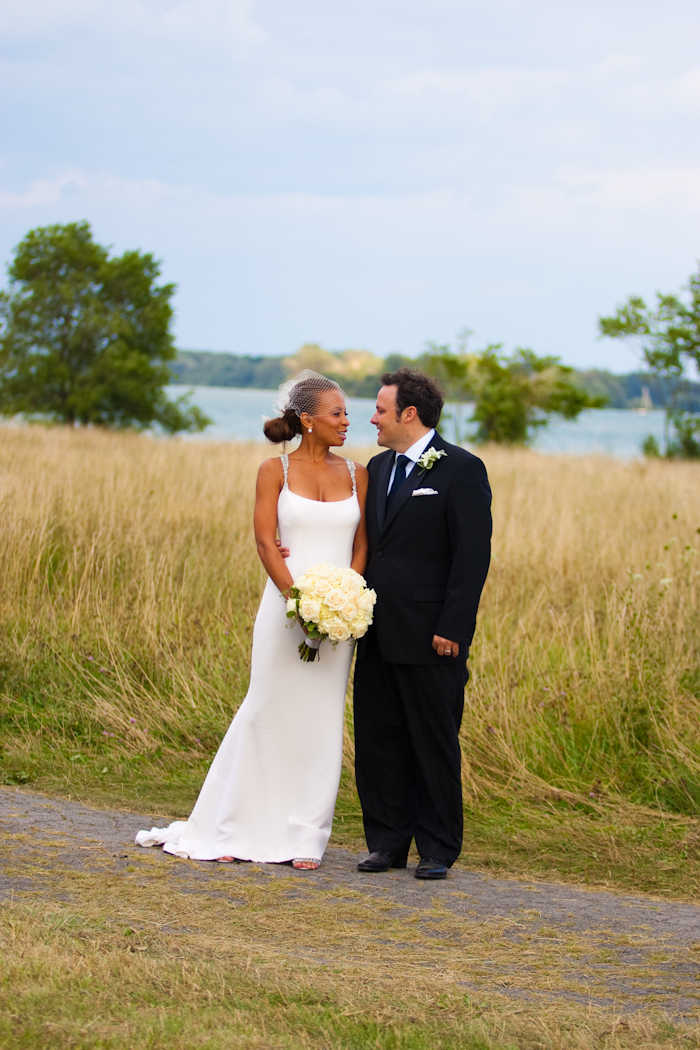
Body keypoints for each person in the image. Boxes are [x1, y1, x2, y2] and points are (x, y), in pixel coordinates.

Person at [136, 370, 368, 871]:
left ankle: (306, 835)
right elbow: (265, 541)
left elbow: (362, 545)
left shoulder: (358, 474)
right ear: (308, 420)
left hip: (339, 621)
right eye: (338, 413)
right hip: (284, 612)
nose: (347, 421)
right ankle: (233, 826)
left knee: (321, 719)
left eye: (348, 413)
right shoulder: (273, 470)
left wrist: (344, 602)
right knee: (266, 709)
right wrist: (298, 604)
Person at [354, 368, 492, 880]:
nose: (372, 418)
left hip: (433, 636)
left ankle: (437, 849)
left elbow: (472, 557)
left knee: (433, 744)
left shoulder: (462, 469)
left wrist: (453, 627)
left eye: (380, 409)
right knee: (378, 740)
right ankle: (386, 843)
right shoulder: (376, 466)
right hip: (375, 633)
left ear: (408, 414)